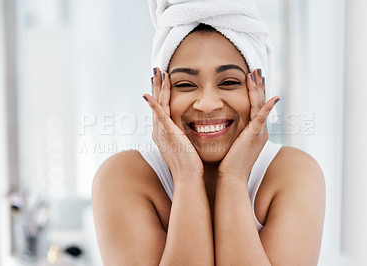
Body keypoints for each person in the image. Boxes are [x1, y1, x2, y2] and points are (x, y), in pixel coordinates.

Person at [92, 1, 325, 265]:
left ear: (259, 91)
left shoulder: (294, 174)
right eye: (185, 84)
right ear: (161, 93)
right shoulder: (123, 178)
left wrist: (234, 179)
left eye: (229, 82)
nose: (207, 103)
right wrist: (186, 178)